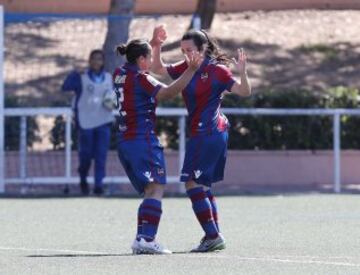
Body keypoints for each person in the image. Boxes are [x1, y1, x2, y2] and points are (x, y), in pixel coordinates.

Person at [150, 26, 251, 252]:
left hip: (210, 132)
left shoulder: (218, 71)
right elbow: (157, 68)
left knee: (191, 183)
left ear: (203, 48)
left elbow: (244, 92)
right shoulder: (187, 67)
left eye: (189, 50)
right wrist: (156, 45)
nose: (186, 54)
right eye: (183, 50)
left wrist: (243, 72)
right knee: (203, 186)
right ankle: (214, 235)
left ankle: (212, 235)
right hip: (205, 132)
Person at [113, 39, 201, 254]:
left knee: (149, 189)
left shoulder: (119, 72)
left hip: (125, 140)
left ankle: (141, 239)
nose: (152, 61)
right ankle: (146, 239)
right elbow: (167, 92)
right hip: (142, 140)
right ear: (141, 59)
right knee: (156, 186)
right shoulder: (140, 78)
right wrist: (190, 71)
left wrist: (153, 44)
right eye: (149, 57)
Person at [62, 50, 115, 195]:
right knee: (85, 156)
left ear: (103, 61)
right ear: (89, 61)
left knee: (101, 156)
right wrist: (73, 73)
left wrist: (112, 102)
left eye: (99, 59)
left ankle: (98, 185)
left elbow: (114, 97)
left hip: (104, 121)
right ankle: (83, 178)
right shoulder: (82, 77)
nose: (96, 62)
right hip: (85, 122)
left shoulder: (109, 78)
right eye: (94, 59)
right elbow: (65, 87)